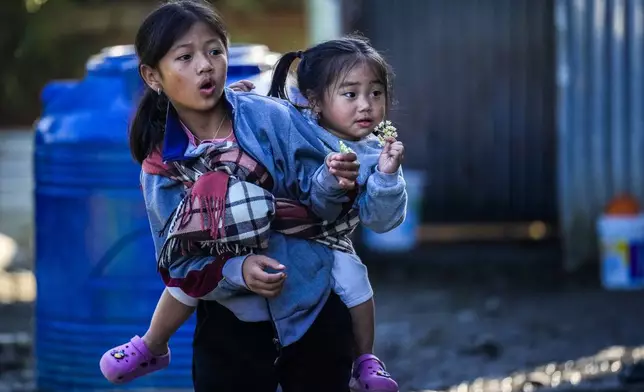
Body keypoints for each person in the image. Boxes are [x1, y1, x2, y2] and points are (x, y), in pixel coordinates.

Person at [99, 1, 367, 391]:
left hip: (314, 308)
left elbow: (323, 204)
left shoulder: (270, 118)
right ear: (153, 76)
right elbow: (179, 262)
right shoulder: (161, 167)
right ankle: (152, 345)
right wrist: (235, 271)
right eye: (185, 57)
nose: (205, 65)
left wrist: (333, 180)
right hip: (230, 327)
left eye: (214, 51)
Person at [267, 36, 406, 392]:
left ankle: (366, 359)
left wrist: (387, 177)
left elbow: (381, 220)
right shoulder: (294, 127)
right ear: (314, 101)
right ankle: (154, 341)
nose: (366, 105)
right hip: (271, 242)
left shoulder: (377, 154)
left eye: (376, 93)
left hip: (328, 243)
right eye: (350, 94)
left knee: (358, 283)